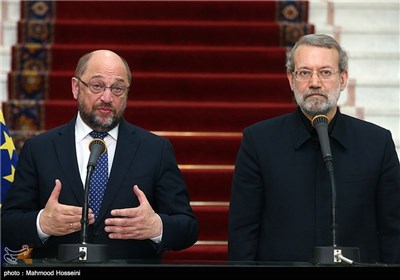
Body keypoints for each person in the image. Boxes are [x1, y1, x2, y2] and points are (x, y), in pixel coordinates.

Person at [1, 50, 198, 261]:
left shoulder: (155, 149)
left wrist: (156, 227)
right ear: (76, 87)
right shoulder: (40, 148)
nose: (107, 97)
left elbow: (188, 227)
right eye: (97, 86)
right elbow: (8, 224)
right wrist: (42, 223)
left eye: (117, 88)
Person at [228, 34, 400, 264]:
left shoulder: (377, 143)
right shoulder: (259, 142)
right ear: (291, 79)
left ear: (343, 79)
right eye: (305, 72)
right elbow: (243, 232)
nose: (315, 82)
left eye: (326, 72)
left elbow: (394, 232)